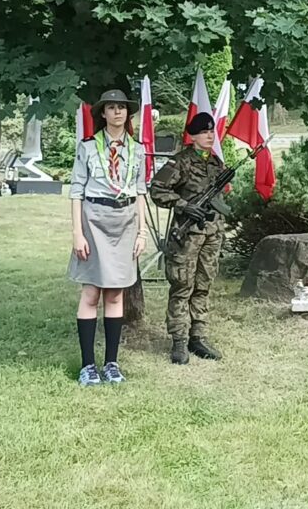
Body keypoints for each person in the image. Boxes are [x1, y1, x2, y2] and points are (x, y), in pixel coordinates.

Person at [69, 89, 148, 386]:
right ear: (102, 113)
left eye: (122, 108)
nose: (117, 112)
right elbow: (76, 192)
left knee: (116, 293)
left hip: (125, 221)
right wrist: (77, 233)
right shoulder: (88, 147)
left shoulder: (137, 149)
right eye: (111, 108)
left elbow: (140, 192)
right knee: (91, 293)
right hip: (94, 220)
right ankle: (88, 365)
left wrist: (141, 232)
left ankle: (111, 363)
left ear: (128, 113)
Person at [150, 112, 226, 364]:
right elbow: (157, 190)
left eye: (211, 131)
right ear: (192, 136)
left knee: (203, 285)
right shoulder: (180, 162)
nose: (208, 135)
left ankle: (198, 336)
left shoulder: (216, 163)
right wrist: (182, 204)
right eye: (203, 132)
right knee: (182, 286)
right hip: (186, 236)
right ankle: (179, 341)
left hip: (211, 234)